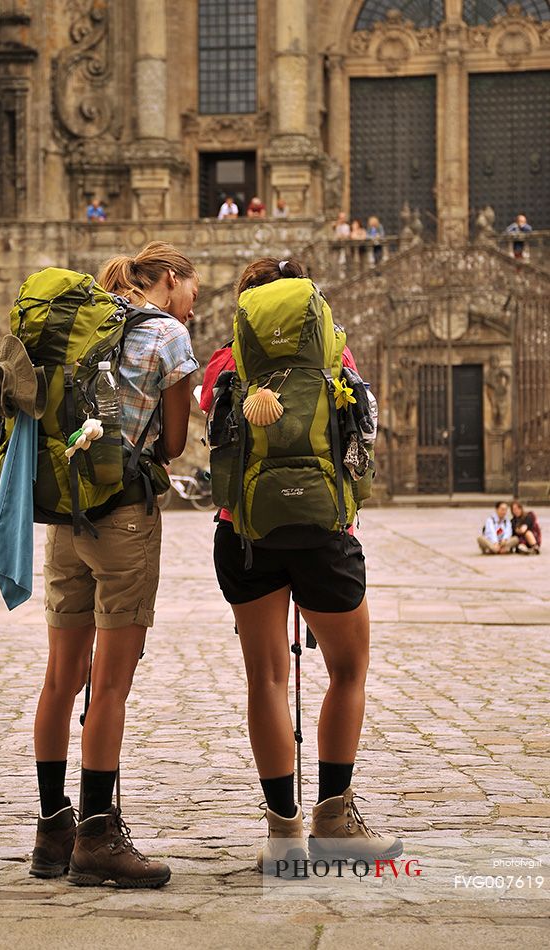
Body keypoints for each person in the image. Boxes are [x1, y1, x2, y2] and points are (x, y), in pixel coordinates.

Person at [202, 257, 401, 875]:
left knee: (264, 678)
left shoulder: (224, 361)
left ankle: (282, 833)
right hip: (322, 534)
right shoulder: (333, 358)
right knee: (347, 669)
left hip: (246, 535)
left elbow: (206, 420)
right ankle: (335, 821)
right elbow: (362, 432)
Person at [31, 242, 199, 888]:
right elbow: (177, 443)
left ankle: (53, 831)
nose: (194, 301)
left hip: (66, 513)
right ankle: (98, 835)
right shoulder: (167, 335)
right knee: (111, 684)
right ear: (167, 280)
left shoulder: (84, 326)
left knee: (60, 678)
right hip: (124, 515)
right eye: (192, 288)